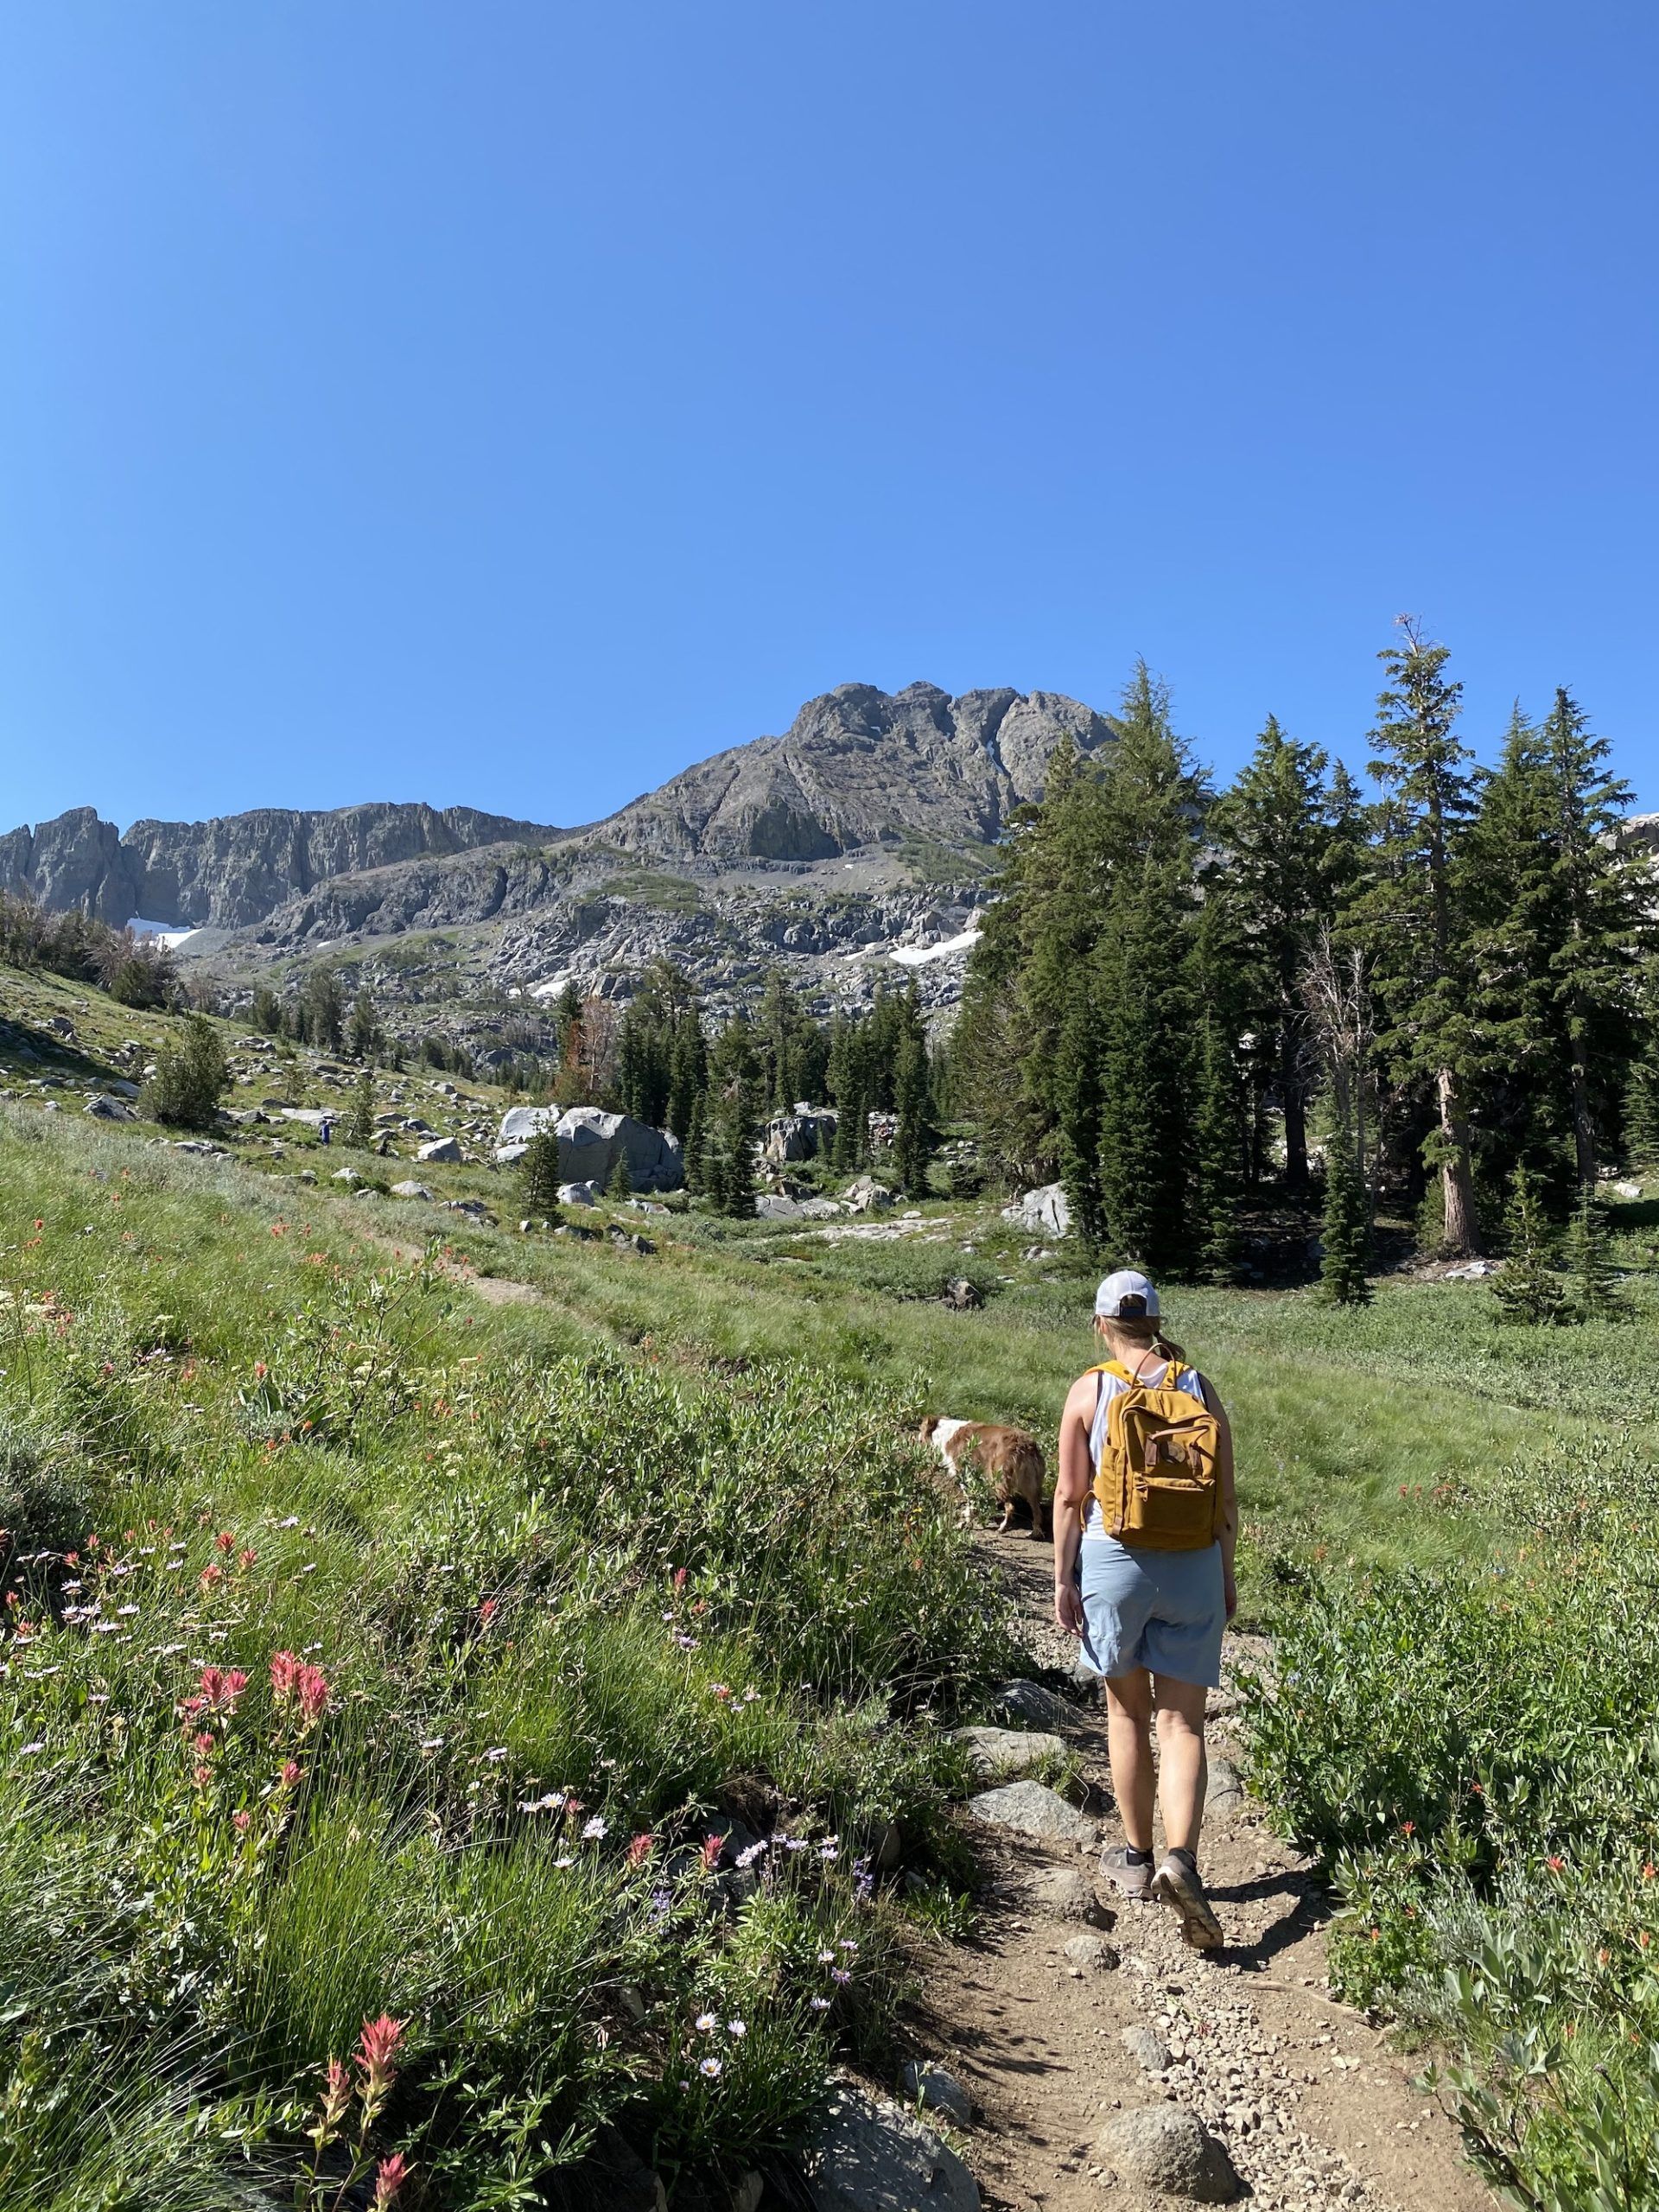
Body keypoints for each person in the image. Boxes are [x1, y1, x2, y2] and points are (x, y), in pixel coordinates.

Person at [1052, 1268, 1236, 1948]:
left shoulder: (1091, 1388)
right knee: (1183, 1722)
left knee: (1126, 1711)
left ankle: (1134, 1857)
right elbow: (1226, 1501)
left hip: (1113, 1559)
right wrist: (1225, 1574)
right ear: (1157, 1323)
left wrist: (1063, 1577)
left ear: (1102, 1323)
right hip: (1192, 1563)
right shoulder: (1198, 1387)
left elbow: (1071, 1497)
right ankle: (1180, 1858)